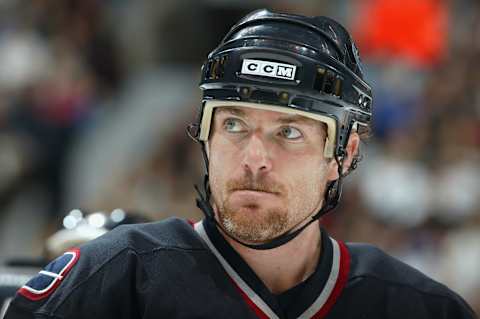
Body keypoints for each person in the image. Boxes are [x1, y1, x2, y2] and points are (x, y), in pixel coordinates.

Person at [5, 9, 477, 319]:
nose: (255, 159)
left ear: (344, 154)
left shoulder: (419, 309)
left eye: (288, 132)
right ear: (204, 135)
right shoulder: (116, 278)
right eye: (233, 125)